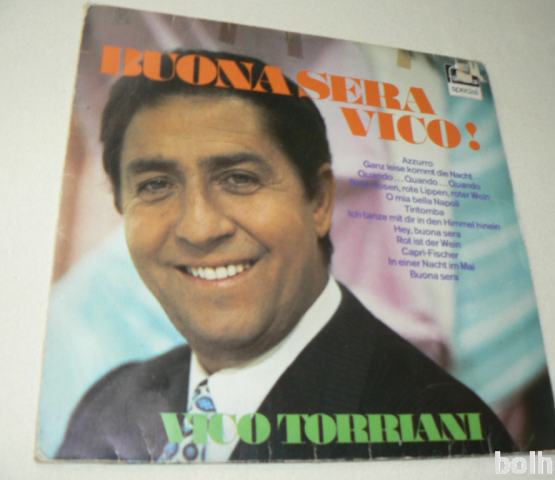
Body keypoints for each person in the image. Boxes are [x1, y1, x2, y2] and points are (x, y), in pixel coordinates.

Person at [57, 50, 515, 461]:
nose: (199, 228)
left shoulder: (442, 435)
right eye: (155, 185)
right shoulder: (109, 405)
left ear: (319, 201)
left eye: (239, 178)